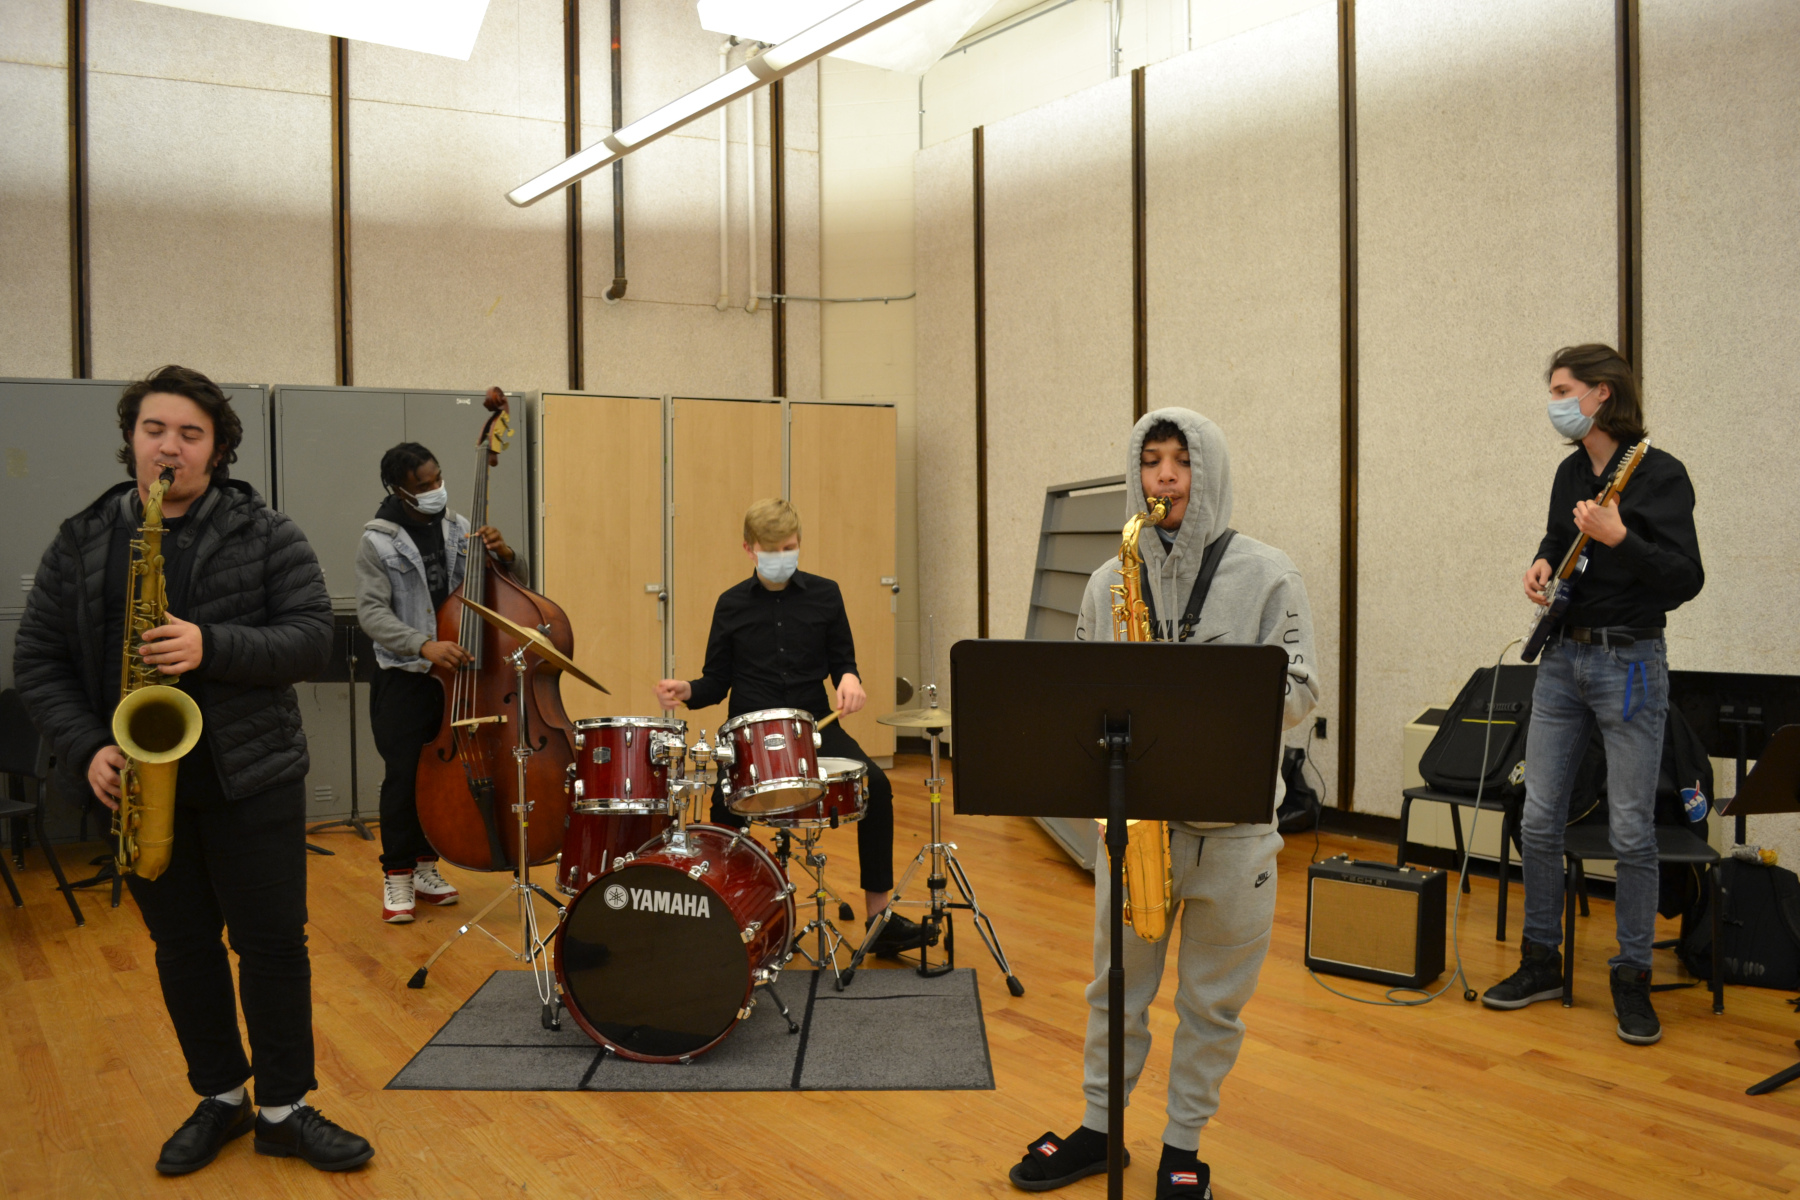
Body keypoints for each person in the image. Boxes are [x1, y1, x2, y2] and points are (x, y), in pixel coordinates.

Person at [14, 365, 374, 1175]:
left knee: (273, 948)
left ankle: (286, 1107)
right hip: (137, 781)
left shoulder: (268, 532)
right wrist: (89, 746)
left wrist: (212, 644)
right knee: (183, 951)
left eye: (189, 433)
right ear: (131, 440)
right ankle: (220, 1097)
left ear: (217, 448)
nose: (169, 447)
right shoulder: (82, 538)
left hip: (255, 778)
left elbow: (314, 638)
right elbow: (38, 659)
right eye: (154, 430)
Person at [1008, 408, 1320, 1200]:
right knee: (1115, 989)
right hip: (1137, 826)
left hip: (1237, 830)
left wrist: (1219, 684)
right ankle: (1099, 1128)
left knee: (1213, 1004)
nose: (1166, 476)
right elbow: (1079, 693)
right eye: (1151, 461)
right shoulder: (1110, 579)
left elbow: (1304, 696)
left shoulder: (1269, 571)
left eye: (1182, 461)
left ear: (1207, 473)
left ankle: (1183, 1145)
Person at [1481, 344, 1703, 1044]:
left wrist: (1621, 537)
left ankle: (1631, 976)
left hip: (1630, 663)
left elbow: (1685, 577)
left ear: (1602, 393)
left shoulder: (1659, 475)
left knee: (1632, 831)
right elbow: (1557, 537)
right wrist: (1542, 563)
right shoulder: (1569, 471)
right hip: (1563, 662)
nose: (1554, 401)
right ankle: (1541, 958)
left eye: (1563, 388)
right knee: (1540, 817)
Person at [654, 497, 930, 957]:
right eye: (774, 549)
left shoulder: (826, 594)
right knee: (723, 809)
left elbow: (844, 661)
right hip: (748, 733)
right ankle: (731, 917)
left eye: (791, 546)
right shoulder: (731, 605)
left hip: (814, 728)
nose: (784, 556)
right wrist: (686, 690)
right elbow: (716, 683)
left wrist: (850, 679)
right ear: (749, 549)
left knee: (876, 786)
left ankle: (878, 920)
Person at [355, 440, 521, 923]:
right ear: (399, 491)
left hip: (457, 675)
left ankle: (428, 867)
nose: (435, 491)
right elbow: (370, 612)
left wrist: (505, 555)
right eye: (423, 486)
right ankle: (398, 875)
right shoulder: (377, 540)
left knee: (444, 774)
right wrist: (422, 644)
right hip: (406, 677)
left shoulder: (460, 528)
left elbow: (499, 591)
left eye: (438, 478)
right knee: (405, 776)